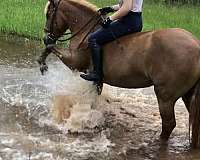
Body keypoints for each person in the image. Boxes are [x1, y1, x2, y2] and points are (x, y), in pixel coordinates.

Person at [80, 0, 143, 84]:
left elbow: (126, 8)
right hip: (135, 20)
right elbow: (128, 5)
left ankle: (96, 74)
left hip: (127, 22)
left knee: (93, 38)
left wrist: (110, 19)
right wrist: (110, 8)